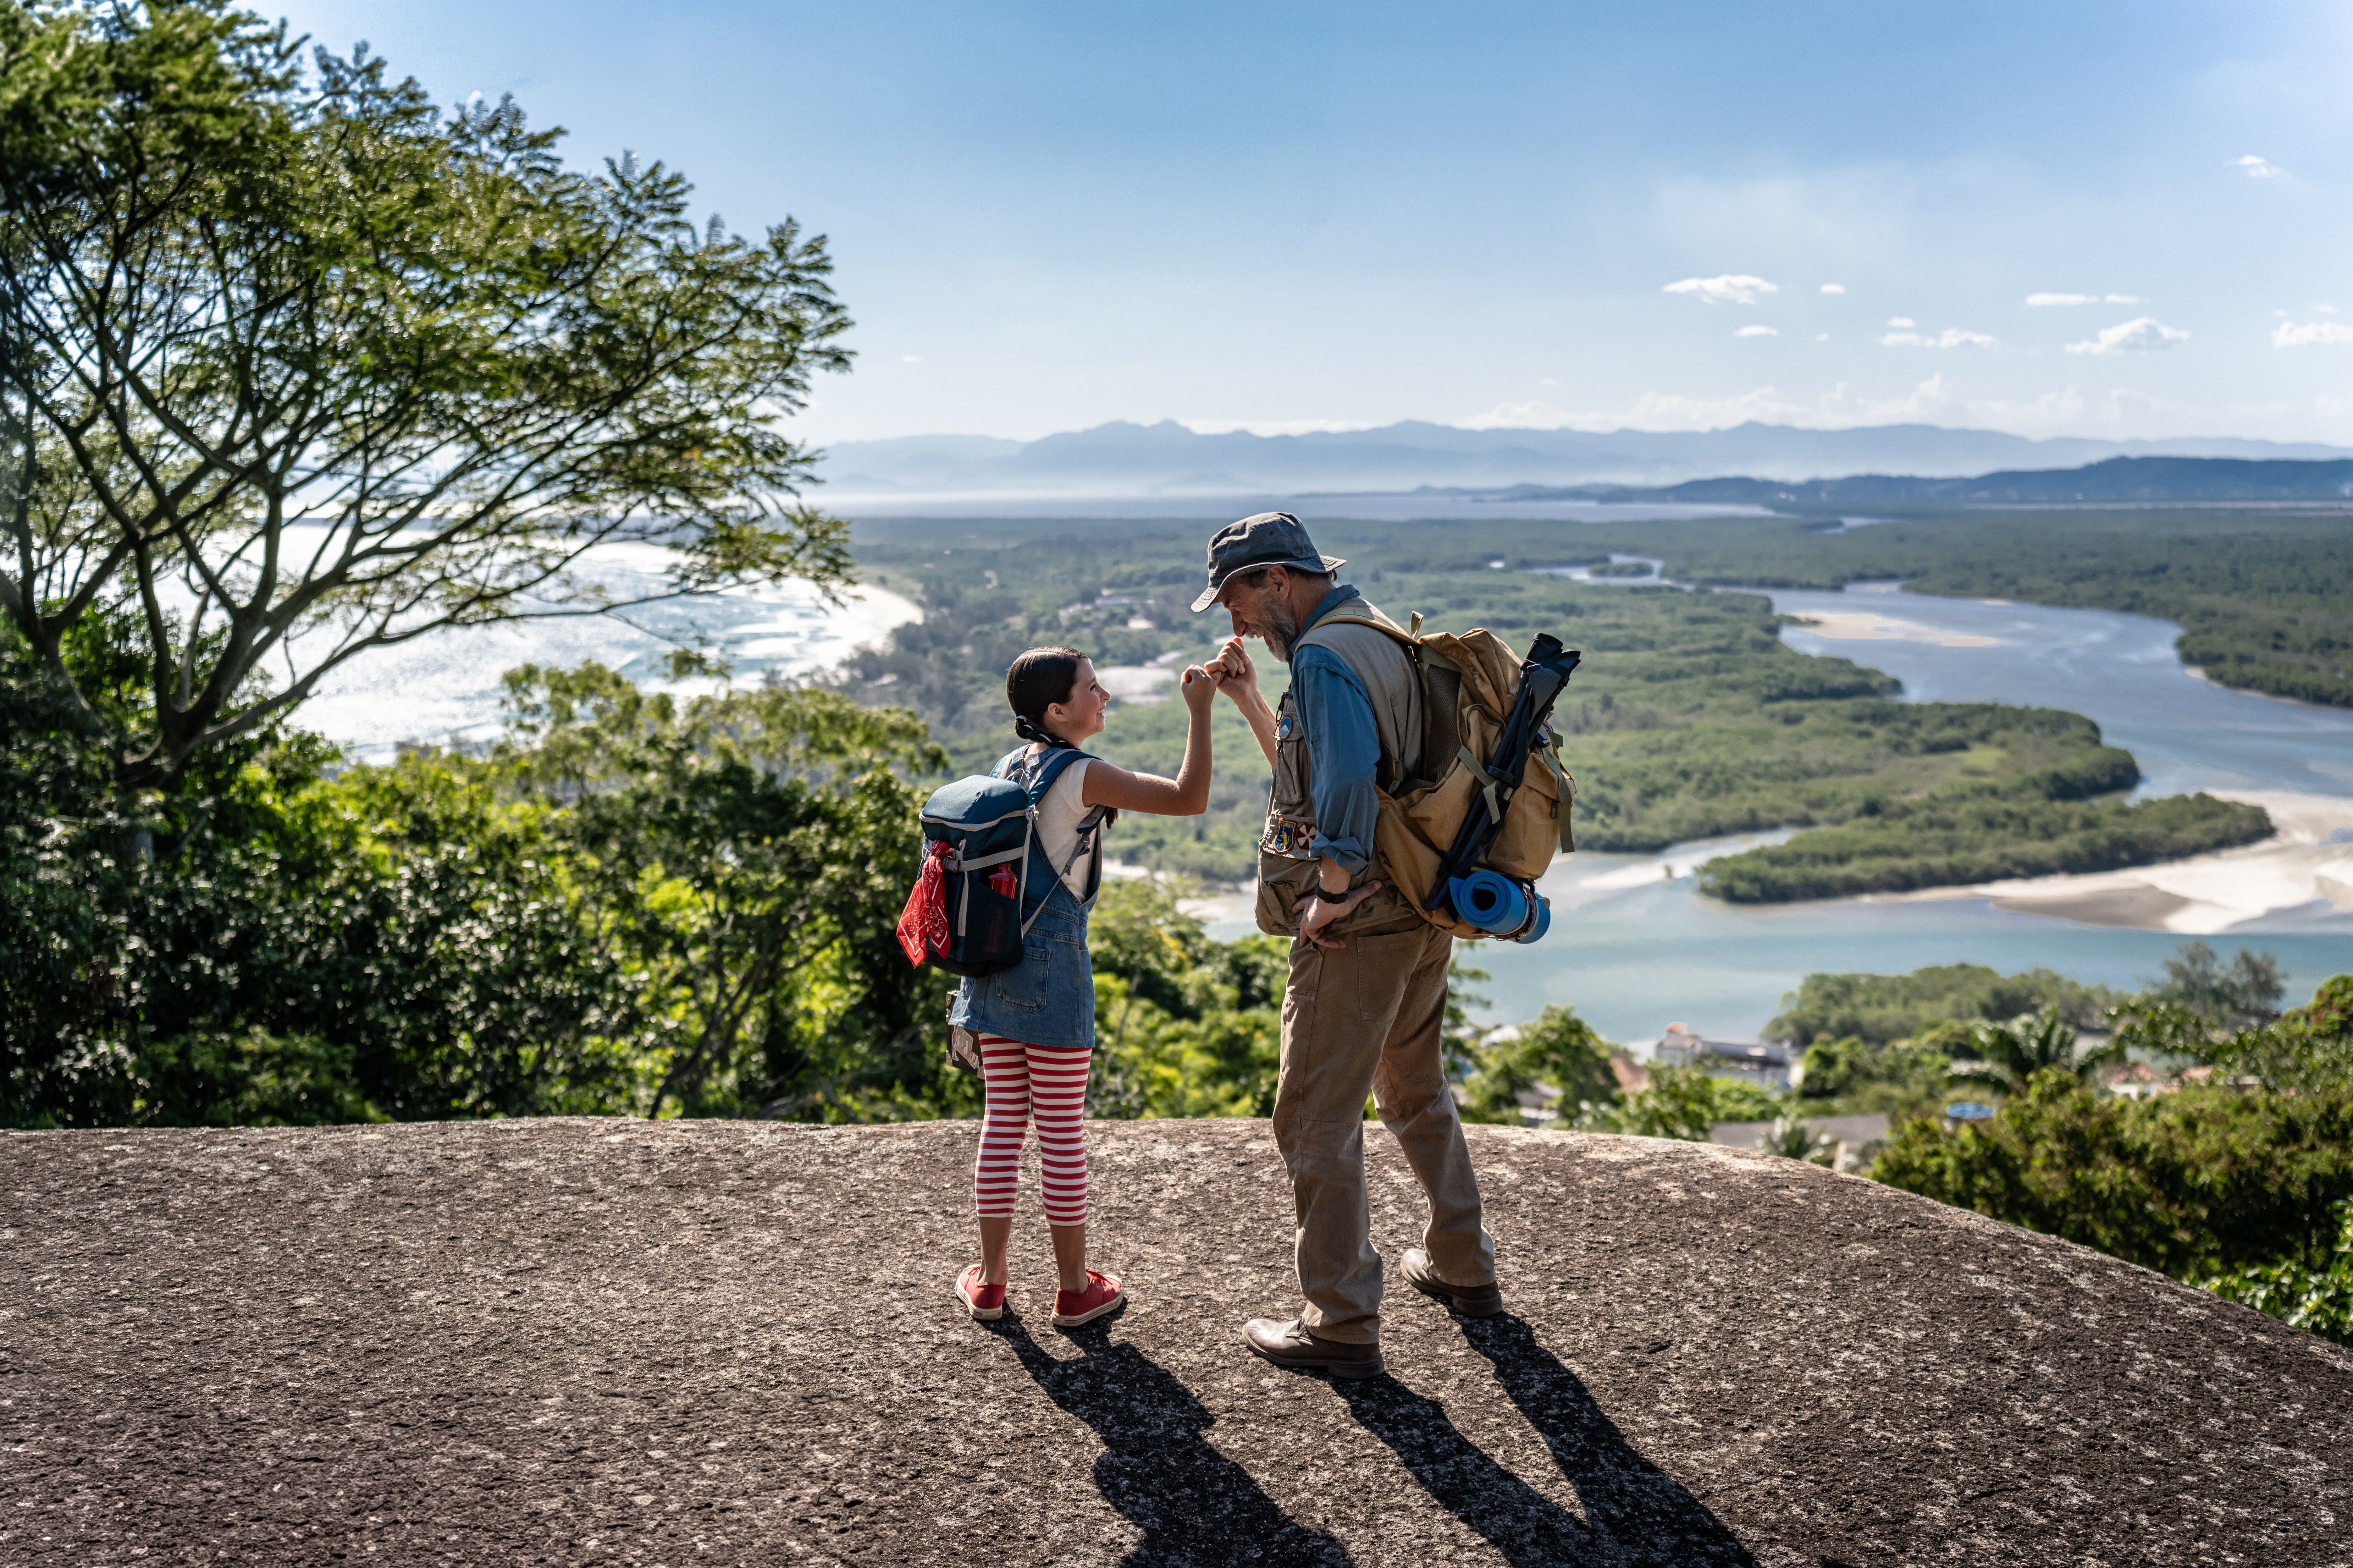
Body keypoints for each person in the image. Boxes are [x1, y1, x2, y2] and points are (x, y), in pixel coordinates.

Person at [1196, 512, 1501, 1380]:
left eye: (1236, 599)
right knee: (1411, 1083)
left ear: (1274, 580)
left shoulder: (1326, 658)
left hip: (1358, 914)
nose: (1236, 622)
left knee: (1312, 1113)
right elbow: (1323, 768)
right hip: (1416, 900)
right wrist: (1252, 697)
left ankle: (1337, 1315)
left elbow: (1340, 788)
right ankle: (1462, 1262)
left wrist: (1328, 897)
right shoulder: (1373, 633)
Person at [951, 644, 1225, 1328]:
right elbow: (1189, 799)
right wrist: (1199, 710)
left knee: (1002, 1122)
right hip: (1053, 968)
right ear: (1056, 709)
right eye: (1092, 688)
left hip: (992, 967)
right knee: (1062, 1131)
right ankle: (1074, 1289)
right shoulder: (1081, 774)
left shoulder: (1006, 767)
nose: (1104, 697)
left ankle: (988, 1282)